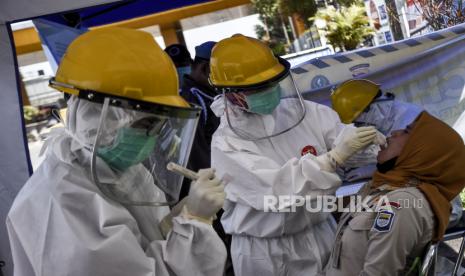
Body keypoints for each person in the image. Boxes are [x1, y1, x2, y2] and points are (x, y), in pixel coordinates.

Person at [7, 28, 226, 276]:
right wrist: (194, 223)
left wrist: (176, 219)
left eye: (159, 125)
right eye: (145, 125)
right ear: (99, 119)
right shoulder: (61, 200)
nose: (152, 138)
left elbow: (143, 240)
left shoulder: (121, 171)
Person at [209, 34, 380, 276]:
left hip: (321, 231)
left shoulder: (302, 113)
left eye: (273, 82)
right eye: (260, 87)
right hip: (266, 252)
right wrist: (332, 159)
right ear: (232, 94)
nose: (270, 91)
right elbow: (277, 191)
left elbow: (344, 140)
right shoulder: (226, 143)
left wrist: (368, 142)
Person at [325, 111, 465, 276]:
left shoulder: (402, 203)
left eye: (406, 132)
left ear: (421, 151)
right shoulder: (380, 188)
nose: (394, 133)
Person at [331, 78, 463, 228]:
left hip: (440, 210)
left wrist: (367, 171)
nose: (360, 126)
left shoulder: (409, 120)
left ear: (371, 108)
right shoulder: (392, 116)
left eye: (359, 122)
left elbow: (403, 165)